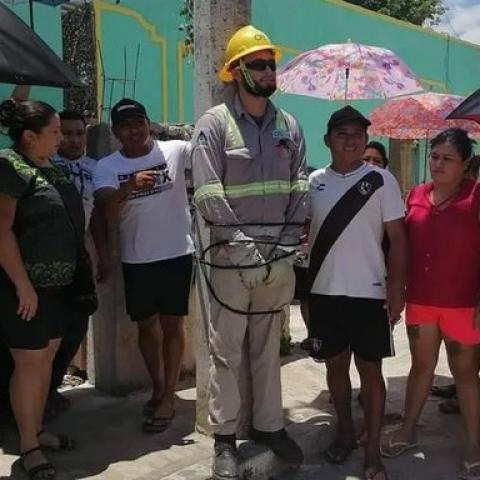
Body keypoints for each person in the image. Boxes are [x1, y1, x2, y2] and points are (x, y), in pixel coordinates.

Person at [192, 25, 308, 480]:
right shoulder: (214, 124)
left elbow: (300, 186)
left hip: (275, 259)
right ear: (237, 72)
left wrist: (280, 248)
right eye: (258, 64)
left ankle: (270, 428)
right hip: (229, 260)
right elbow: (207, 193)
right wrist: (243, 250)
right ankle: (224, 441)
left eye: (271, 63)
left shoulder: (290, 125)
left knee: (267, 349)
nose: (268, 70)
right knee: (225, 352)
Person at [306, 106, 407, 480]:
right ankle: (345, 431)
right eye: (342, 133)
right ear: (327, 139)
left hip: (369, 294)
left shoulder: (381, 180)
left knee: (371, 372)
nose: (350, 140)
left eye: (358, 134)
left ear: (365, 140)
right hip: (324, 293)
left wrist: (397, 289)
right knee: (335, 368)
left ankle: (372, 450)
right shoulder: (313, 181)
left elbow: (398, 239)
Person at [0, 99, 93, 479]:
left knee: (46, 361)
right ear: (29, 137)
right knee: (30, 364)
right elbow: (1, 230)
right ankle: (29, 447)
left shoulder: (47, 166)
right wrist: (23, 286)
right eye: (54, 132)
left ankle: (36, 430)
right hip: (24, 291)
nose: (61, 138)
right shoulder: (9, 167)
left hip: (57, 289)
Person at [381, 129, 480, 480]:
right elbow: (401, 247)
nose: (437, 164)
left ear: (465, 164)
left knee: (465, 374)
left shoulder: (476, 197)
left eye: (447, 159)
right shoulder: (416, 195)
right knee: (421, 367)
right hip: (421, 301)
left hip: (463, 304)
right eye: (434, 156)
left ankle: (473, 445)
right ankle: (408, 430)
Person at [94, 98, 194, 433]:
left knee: (172, 324)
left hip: (178, 253)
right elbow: (105, 212)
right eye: (126, 126)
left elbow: (214, 153)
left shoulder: (176, 151)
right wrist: (128, 187)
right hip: (137, 258)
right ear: (116, 132)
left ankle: (168, 397)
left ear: (148, 123)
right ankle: (158, 386)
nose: (134, 130)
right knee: (146, 327)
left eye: (139, 123)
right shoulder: (106, 166)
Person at [45, 111, 97, 413]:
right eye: (66, 133)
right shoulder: (45, 167)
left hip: (79, 259)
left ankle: (50, 388)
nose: (74, 139)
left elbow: (99, 218)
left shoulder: (95, 168)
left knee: (76, 327)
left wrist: (98, 254)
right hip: (48, 259)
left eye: (80, 133)